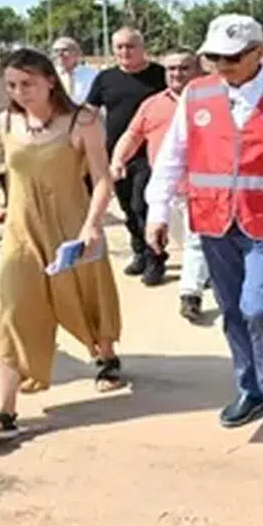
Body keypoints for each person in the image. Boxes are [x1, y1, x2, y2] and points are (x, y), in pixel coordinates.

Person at [144, 14, 263, 441]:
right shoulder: (196, 95)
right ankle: (248, 385)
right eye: (213, 57)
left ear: (260, 53)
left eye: (232, 58)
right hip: (214, 219)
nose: (222, 65)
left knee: (259, 306)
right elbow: (173, 157)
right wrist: (157, 211)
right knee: (233, 311)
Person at [0, 48, 123, 439]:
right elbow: (13, 172)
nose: (20, 92)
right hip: (21, 234)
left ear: (50, 80)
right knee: (11, 310)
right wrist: (3, 209)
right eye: (12, 85)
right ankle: (3, 412)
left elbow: (103, 178)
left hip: (72, 225)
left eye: (28, 83)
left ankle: (105, 356)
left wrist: (92, 225)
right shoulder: (6, 121)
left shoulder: (82, 121)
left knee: (85, 296)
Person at [110, 50, 211, 320]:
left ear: (198, 70)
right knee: (185, 240)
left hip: (205, 189)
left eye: (184, 68)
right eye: (171, 69)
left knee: (195, 242)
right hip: (166, 190)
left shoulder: (215, 99)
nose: (176, 74)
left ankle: (190, 294)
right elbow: (132, 136)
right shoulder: (152, 104)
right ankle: (204, 273)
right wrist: (118, 160)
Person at [85, 27, 168, 285]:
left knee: (142, 205)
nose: (125, 52)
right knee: (127, 209)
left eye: (130, 46)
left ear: (142, 47)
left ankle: (156, 258)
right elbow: (89, 112)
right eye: (119, 47)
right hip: (117, 155)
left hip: (151, 152)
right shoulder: (105, 79)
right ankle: (140, 252)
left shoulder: (159, 75)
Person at [52, 36, 101, 105]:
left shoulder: (92, 74)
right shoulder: (49, 75)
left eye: (64, 50)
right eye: (56, 51)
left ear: (76, 53)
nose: (60, 54)